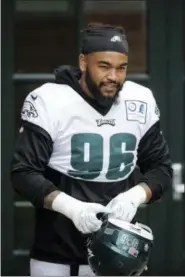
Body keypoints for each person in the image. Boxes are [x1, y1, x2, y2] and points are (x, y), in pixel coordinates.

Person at [11, 22, 172, 276]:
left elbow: (161, 169)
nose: (114, 77)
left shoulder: (140, 100)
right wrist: (72, 208)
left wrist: (136, 195)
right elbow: (23, 173)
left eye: (122, 68)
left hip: (118, 255)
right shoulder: (50, 100)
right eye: (104, 66)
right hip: (57, 256)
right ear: (83, 62)